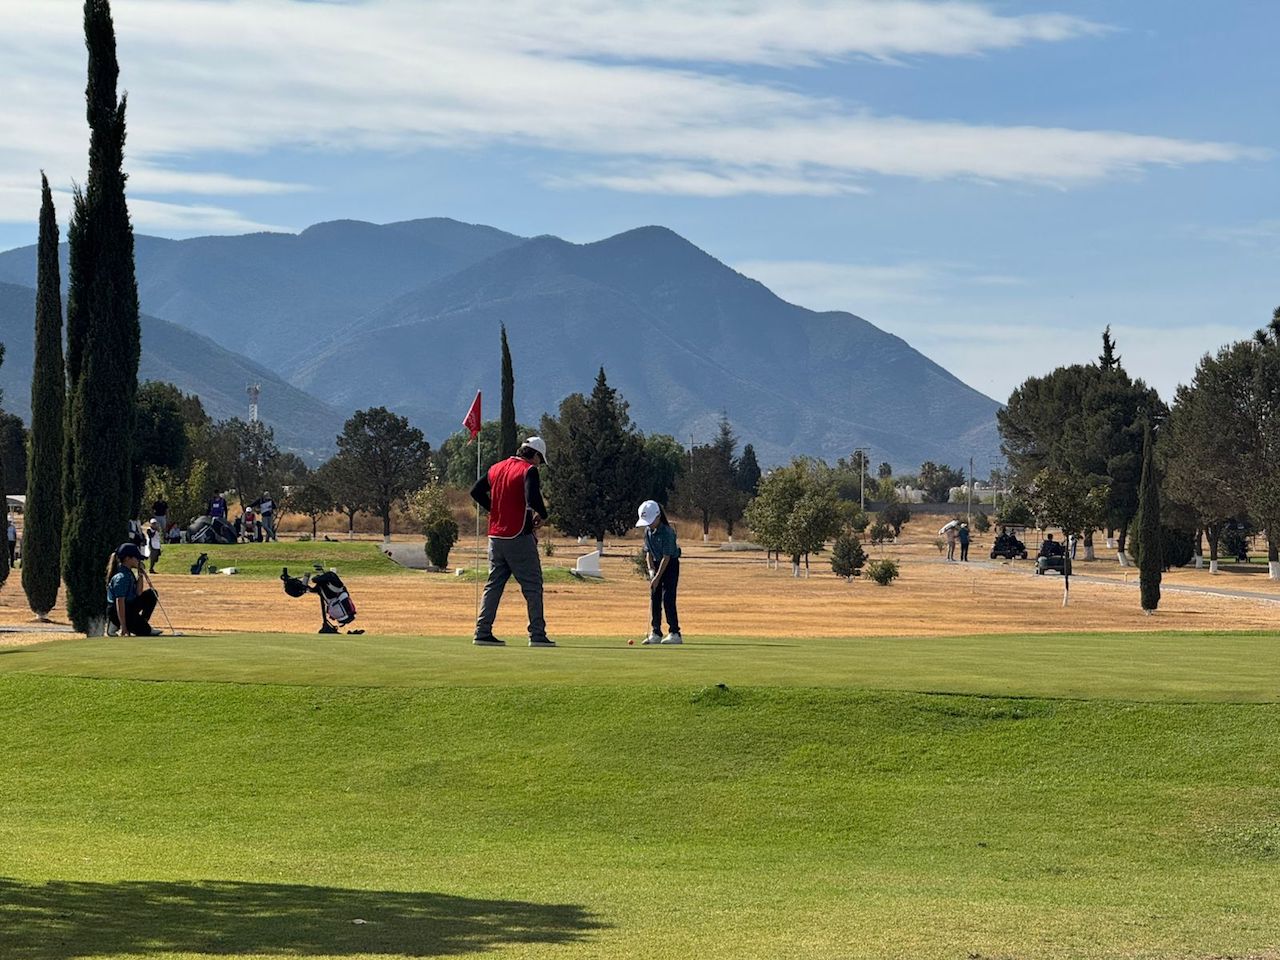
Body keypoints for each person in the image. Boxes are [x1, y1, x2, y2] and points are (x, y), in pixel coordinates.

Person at [469, 437, 555, 647]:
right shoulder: (528, 470)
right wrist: (543, 515)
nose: (538, 465)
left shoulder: (497, 467)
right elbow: (532, 497)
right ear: (534, 455)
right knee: (533, 585)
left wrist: (495, 510)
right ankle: (537, 634)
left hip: (496, 536)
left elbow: (476, 491)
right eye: (539, 460)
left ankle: (482, 631)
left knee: (493, 585)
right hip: (518, 535)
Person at [636, 500, 682, 645]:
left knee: (668, 598)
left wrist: (657, 577)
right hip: (656, 564)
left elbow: (667, 558)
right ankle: (656, 632)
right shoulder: (648, 532)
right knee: (654, 598)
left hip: (670, 565)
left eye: (650, 521)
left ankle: (675, 633)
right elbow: (648, 553)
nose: (648, 524)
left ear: (658, 517)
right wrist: (651, 572)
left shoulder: (668, 532)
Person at [105, 543, 161, 637]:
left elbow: (138, 593)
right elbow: (120, 602)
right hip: (117, 610)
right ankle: (116, 624)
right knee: (145, 632)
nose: (138, 561)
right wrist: (124, 627)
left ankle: (142, 623)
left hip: (129, 606)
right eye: (136, 558)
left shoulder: (129, 573)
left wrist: (140, 574)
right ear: (127, 559)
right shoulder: (121, 577)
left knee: (152, 594)